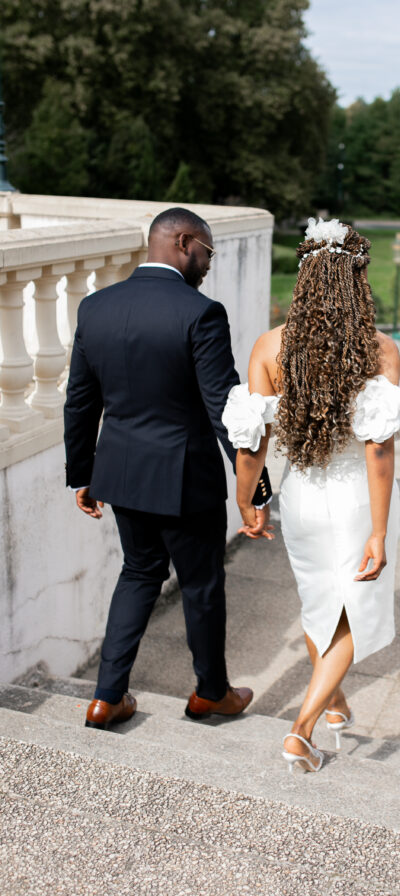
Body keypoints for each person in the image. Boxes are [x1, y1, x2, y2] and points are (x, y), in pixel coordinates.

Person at [222, 218, 400, 772]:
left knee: (320, 609)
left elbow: (250, 444)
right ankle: (301, 730)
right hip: (360, 500)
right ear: (357, 283)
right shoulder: (380, 350)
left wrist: (248, 501)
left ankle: (333, 707)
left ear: (304, 282)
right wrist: (380, 533)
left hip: (304, 498)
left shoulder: (270, 347)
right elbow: (378, 452)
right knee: (350, 616)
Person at [64, 207, 273, 731]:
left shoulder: (96, 307)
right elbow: (224, 410)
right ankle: (210, 694)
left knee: (138, 573)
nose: (207, 263)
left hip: (121, 473)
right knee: (201, 585)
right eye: (207, 251)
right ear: (183, 242)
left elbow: (80, 401)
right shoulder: (200, 312)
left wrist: (81, 474)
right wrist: (255, 489)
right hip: (184, 481)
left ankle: (107, 697)